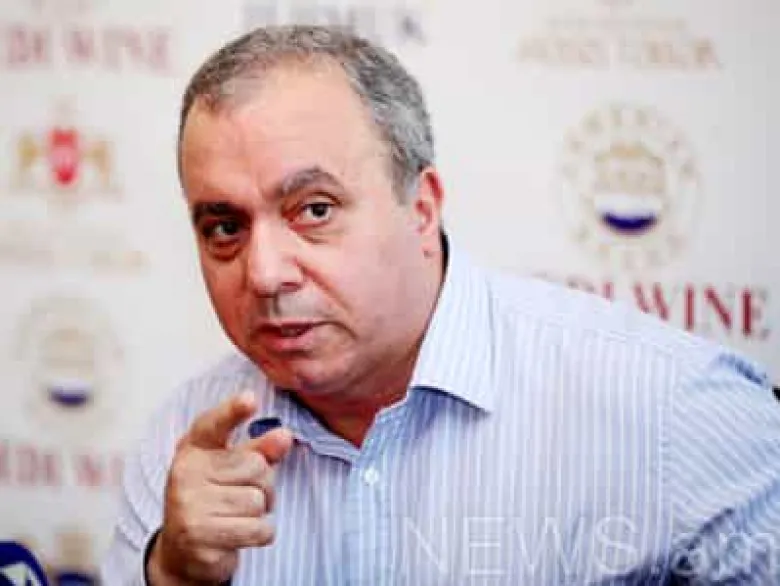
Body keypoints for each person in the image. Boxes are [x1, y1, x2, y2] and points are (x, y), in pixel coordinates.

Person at [100, 24, 780, 585]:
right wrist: (174, 577)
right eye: (224, 226)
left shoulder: (673, 413)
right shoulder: (182, 445)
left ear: (422, 210)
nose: (265, 273)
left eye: (314, 209)